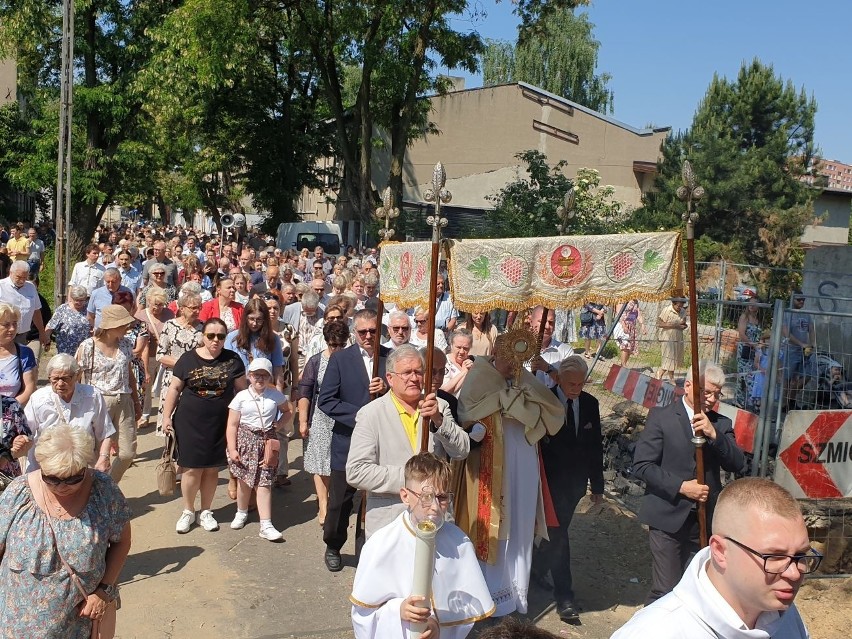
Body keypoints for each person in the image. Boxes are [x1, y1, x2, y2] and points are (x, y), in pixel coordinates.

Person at [611, 478, 818, 639]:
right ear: (720, 551)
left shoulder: (784, 615)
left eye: (800, 556)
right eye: (774, 557)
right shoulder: (654, 633)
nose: (794, 573)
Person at [454, 332, 564, 617]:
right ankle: (488, 593)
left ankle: (515, 594)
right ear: (496, 353)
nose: (510, 365)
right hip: (491, 461)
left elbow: (552, 412)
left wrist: (525, 404)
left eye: (516, 360)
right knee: (493, 520)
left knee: (519, 521)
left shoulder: (525, 379)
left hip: (523, 458)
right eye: (506, 358)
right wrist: (501, 402)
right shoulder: (479, 374)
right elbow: (466, 412)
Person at [0, 425, 132, 639]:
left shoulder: (104, 490)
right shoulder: (18, 492)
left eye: (72, 478)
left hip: (76, 623)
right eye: (52, 478)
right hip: (18, 625)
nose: (62, 486)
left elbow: (122, 541)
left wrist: (103, 591)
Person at [632, 361, 746, 604]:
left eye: (717, 394)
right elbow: (642, 465)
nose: (712, 398)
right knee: (667, 589)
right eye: (706, 391)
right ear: (688, 386)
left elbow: (738, 464)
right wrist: (682, 486)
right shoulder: (662, 417)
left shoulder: (721, 424)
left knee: (697, 588)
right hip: (667, 516)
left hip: (704, 520)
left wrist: (714, 435)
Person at [350, 453, 494, 639]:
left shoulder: (459, 542)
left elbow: (464, 612)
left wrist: (438, 627)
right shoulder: (380, 544)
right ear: (405, 496)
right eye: (426, 496)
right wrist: (397, 611)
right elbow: (362, 615)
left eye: (442, 497)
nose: (434, 507)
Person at [346, 344, 469, 536]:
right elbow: (356, 471)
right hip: (388, 521)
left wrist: (439, 421)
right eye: (406, 373)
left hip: (435, 519)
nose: (414, 378)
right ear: (390, 378)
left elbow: (461, 450)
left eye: (418, 372)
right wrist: (413, 480)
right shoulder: (371, 414)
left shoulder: (439, 407)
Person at [317, 308, 387, 572]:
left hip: (383, 442)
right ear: (354, 332)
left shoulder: (390, 357)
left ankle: (371, 547)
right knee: (340, 500)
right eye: (362, 331)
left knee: (380, 496)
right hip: (349, 440)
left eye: (373, 330)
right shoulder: (341, 360)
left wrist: (388, 389)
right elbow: (326, 400)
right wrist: (360, 415)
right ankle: (333, 545)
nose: (368, 336)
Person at [535, 355, 604, 623]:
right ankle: (565, 597)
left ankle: (537, 567)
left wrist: (597, 484)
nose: (576, 388)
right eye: (571, 383)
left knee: (556, 532)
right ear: (559, 379)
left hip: (574, 484)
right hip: (547, 480)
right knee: (558, 533)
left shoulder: (590, 404)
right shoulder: (545, 399)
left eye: (580, 383)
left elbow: (595, 446)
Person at [162, 318, 247, 534]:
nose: (216, 340)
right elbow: (174, 389)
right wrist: (166, 417)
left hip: (220, 423)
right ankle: (188, 511)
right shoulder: (187, 360)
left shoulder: (233, 359)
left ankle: (206, 511)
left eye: (220, 336)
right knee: (191, 469)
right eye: (211, 335)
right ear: (203, 336)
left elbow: (242, 391)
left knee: (211, 469)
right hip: (189, 423)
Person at [226, 357, 292, 541]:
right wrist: (232, 449)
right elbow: (232, 424)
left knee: (264, 482)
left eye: (264, 375)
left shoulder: (275, 395)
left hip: (267, 442)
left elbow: (288, 411)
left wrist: (277, 426)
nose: (260, 379)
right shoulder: (241, 397)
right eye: (256, 375)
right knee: (244, 481)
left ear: (269, 377)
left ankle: (266, 524)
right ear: (249, 376)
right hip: (245, 441)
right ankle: (241, 511)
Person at [75, 304, 141, 482]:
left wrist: (136, 401)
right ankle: (93, 493)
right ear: (110, 326)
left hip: (124, 400)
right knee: (94, 454)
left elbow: (129, 374)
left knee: (128, 452)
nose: (127, 328)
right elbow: (76, 378)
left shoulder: (126, 344)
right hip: (96, 402)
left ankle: (109, 485)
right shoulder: (88, 346)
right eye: (123, 325)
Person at [24, 354, 114, 473]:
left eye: (66, 378)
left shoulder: (92, 396)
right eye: (55, 379)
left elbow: (105, 432)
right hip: (45, 468)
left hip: (82, 467)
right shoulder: (38, 399)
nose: (60, 384)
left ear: (77, 376)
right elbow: (25, 433)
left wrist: (104, 457)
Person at [299, 321, 350, 525]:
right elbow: (305, 391)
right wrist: (303, 420)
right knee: (320, 462)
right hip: (320, 416)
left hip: (343, 413)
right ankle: (323, 504)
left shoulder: (350, 361)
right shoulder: (316, 361)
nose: (336, 349)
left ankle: (337, 499)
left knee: (339, 462)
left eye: (340, 345)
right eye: (332, 345)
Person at [154, 290, 203, 434]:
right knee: (170, 416)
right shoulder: (170, 325)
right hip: (172, 377)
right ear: (182, 308)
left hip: (195, 378)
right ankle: (169, 451)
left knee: (191, 419)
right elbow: (160, 355)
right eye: (193, 307)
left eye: (199, 307)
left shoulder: (203, 327)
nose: (197, 311)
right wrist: (183, 364)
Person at [0, 261, 49, 349]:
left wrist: (42, 332)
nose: (22, 280)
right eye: (18, 277)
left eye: (24, 278)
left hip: (22, 336)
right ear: (10, 273)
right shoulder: (1, 286)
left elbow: (36, 311)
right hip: (3, 336)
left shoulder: (31, 287)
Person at [782, 292, 816, 410]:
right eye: (799, 300)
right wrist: (801, 344)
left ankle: (791, 400)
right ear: (792, 300)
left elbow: (811, 330)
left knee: (807, 375)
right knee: (787, 378)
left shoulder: (806, 315)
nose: (801, 302)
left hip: (804, 351)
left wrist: (812, 344)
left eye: (803, 300)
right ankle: (785, 404)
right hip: (790, 350)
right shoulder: (787, 313)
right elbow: (786, 333)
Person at [528, 306, 574, 389]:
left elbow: (571, 384)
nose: (547, 326)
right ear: (531, 321)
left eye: (551, 322)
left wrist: (548, 368)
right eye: (542, 322)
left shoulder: (565, 351)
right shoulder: (518, 349)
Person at [0, 303, 38, 406]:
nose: (12, 329)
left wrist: (8, 409)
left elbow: (29, 389)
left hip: (11, 414)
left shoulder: (24, 353)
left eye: (15, 323)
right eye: (6, 324)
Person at [45, 285, 91, 356]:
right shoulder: (63, 309)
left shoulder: (89, 309)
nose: (79, 302)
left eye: (81, 300)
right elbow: (50, 325)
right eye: (76, 300)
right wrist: (47, 340)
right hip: (65, 349)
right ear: (71, 298)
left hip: (84, 350)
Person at [736, 295, 762, 408]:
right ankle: (743, 401)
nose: (751, 306)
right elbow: (742, 334)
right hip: (745, 349)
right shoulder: (744, 317)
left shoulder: (759, 319)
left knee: (753, 374)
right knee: (745, 375)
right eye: (750, 303)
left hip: (755, 351)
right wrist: (753, 344)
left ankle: (748, 400)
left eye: (754, 304)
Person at [657, 296, 687, 382]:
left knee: (674, 359)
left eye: (681, 306)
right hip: (667, 337)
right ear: (673, 304)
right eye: (678, 306)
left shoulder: (683, 311)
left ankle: (670, 377)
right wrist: (675, 325)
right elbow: (660, 324)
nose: (680, 308)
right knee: (669, 357)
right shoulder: (667, 310)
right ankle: (661, 373)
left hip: (678, 337)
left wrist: (683, 326)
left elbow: (684, 324)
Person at [441, 328, 474, 396]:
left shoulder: (473, 361)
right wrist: (464, 372)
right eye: (458, 347)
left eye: (465, 348)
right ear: (451, 345)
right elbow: (445, 390)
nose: (461, 352)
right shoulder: (445, 362)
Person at [616, 299, 646, 368]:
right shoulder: (622, 299)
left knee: (630, 347)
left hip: (631, 325)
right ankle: (624, 365)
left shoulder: (635, 302)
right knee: (625, 345)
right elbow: (619, 313)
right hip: (622, 325)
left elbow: (637, 313)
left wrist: (642, 325)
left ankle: (622, 365)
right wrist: (623, 325)